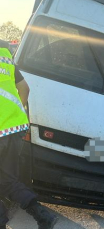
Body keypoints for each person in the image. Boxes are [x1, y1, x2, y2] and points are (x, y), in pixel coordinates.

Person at [0, 43, 58, 229]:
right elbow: (24, 88)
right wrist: (14, 114)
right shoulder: (4, 56)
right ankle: (43, 217)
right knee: (7, 179)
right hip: (14, 127)